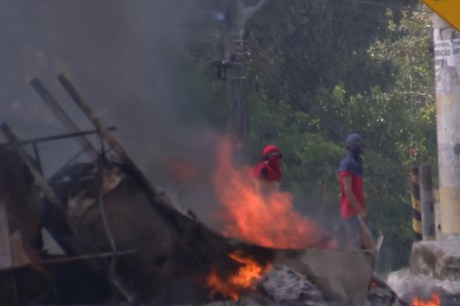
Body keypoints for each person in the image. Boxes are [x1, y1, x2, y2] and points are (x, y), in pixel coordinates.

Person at [339, 133, 370, 250]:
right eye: (355, 145)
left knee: (364, 245)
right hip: (351, 213)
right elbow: (347, 190)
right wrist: (359, 210)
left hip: (357, 213)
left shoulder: (357, 164)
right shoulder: (347, 164)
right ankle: (351, 267)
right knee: (355, 244)